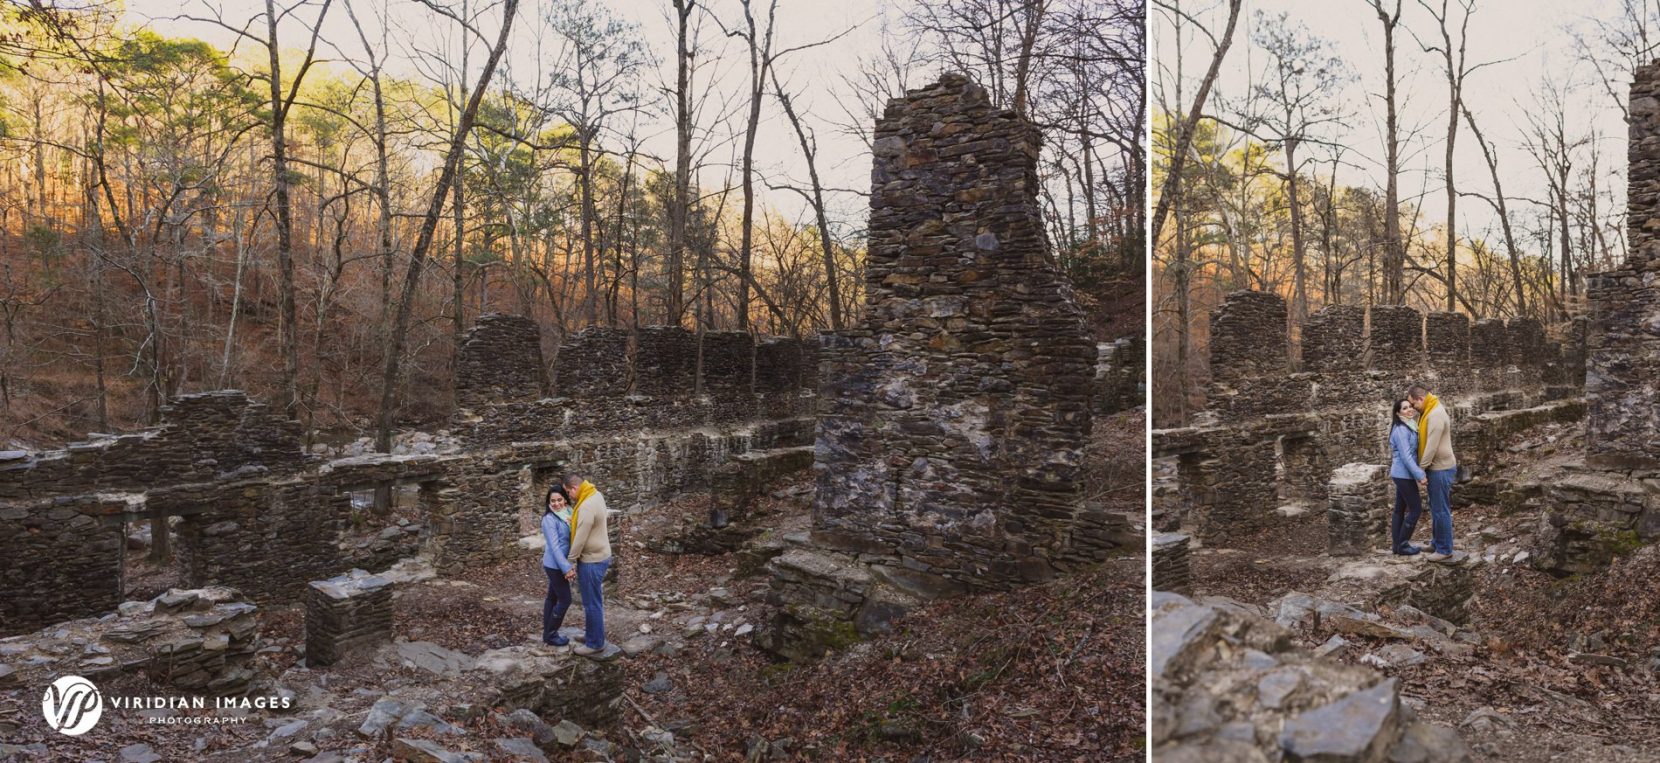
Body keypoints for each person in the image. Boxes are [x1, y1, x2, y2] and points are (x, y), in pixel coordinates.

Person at [1408, 384, 1463, 563]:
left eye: (1414, 405)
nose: (1414, 409)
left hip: (1440, 468)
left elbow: (1431, 447)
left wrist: (1420, 470)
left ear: (1421, 399)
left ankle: (1445, 549)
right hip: (1436, 468)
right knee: (1435, 507)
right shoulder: (1429, 411)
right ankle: (1437, 542)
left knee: (1441, 510)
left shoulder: (1435, 414)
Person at [563, 473, 612, 657]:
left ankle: (595, 643)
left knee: (592, 604)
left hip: (592, 560)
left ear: (574, 488)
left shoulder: (585, 505)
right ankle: (592, 634)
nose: (569, 497)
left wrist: (570, 561)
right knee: (593, 601)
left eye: (569, 493)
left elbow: (580, 537)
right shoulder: (595, 494)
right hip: (601, 555)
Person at [1387, 399, 1427, 556]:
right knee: (1416, 509)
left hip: (1402, 474)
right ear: (1398, 413)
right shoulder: (1401, 430)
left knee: (1399, 509)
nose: (1410, 409)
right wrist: (1420, 475)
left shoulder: (1409, 425)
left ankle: (1397, 545)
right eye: (1405, 408)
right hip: (1403, 474)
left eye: (1410, 407)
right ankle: (1403, 544)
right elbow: (1406, 456)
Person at [539, 486, 576, 647]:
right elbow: (554, 547)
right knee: (565, 599)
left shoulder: (569, 512)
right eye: (552, 501)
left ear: (565, 499)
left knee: (552, 598)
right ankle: (551, 634)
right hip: (555, 565)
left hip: (561, 562)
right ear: (548, 502)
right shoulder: (549, 519)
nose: (556, 504)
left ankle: (547, 632)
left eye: (559, 499)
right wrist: (566, 568)